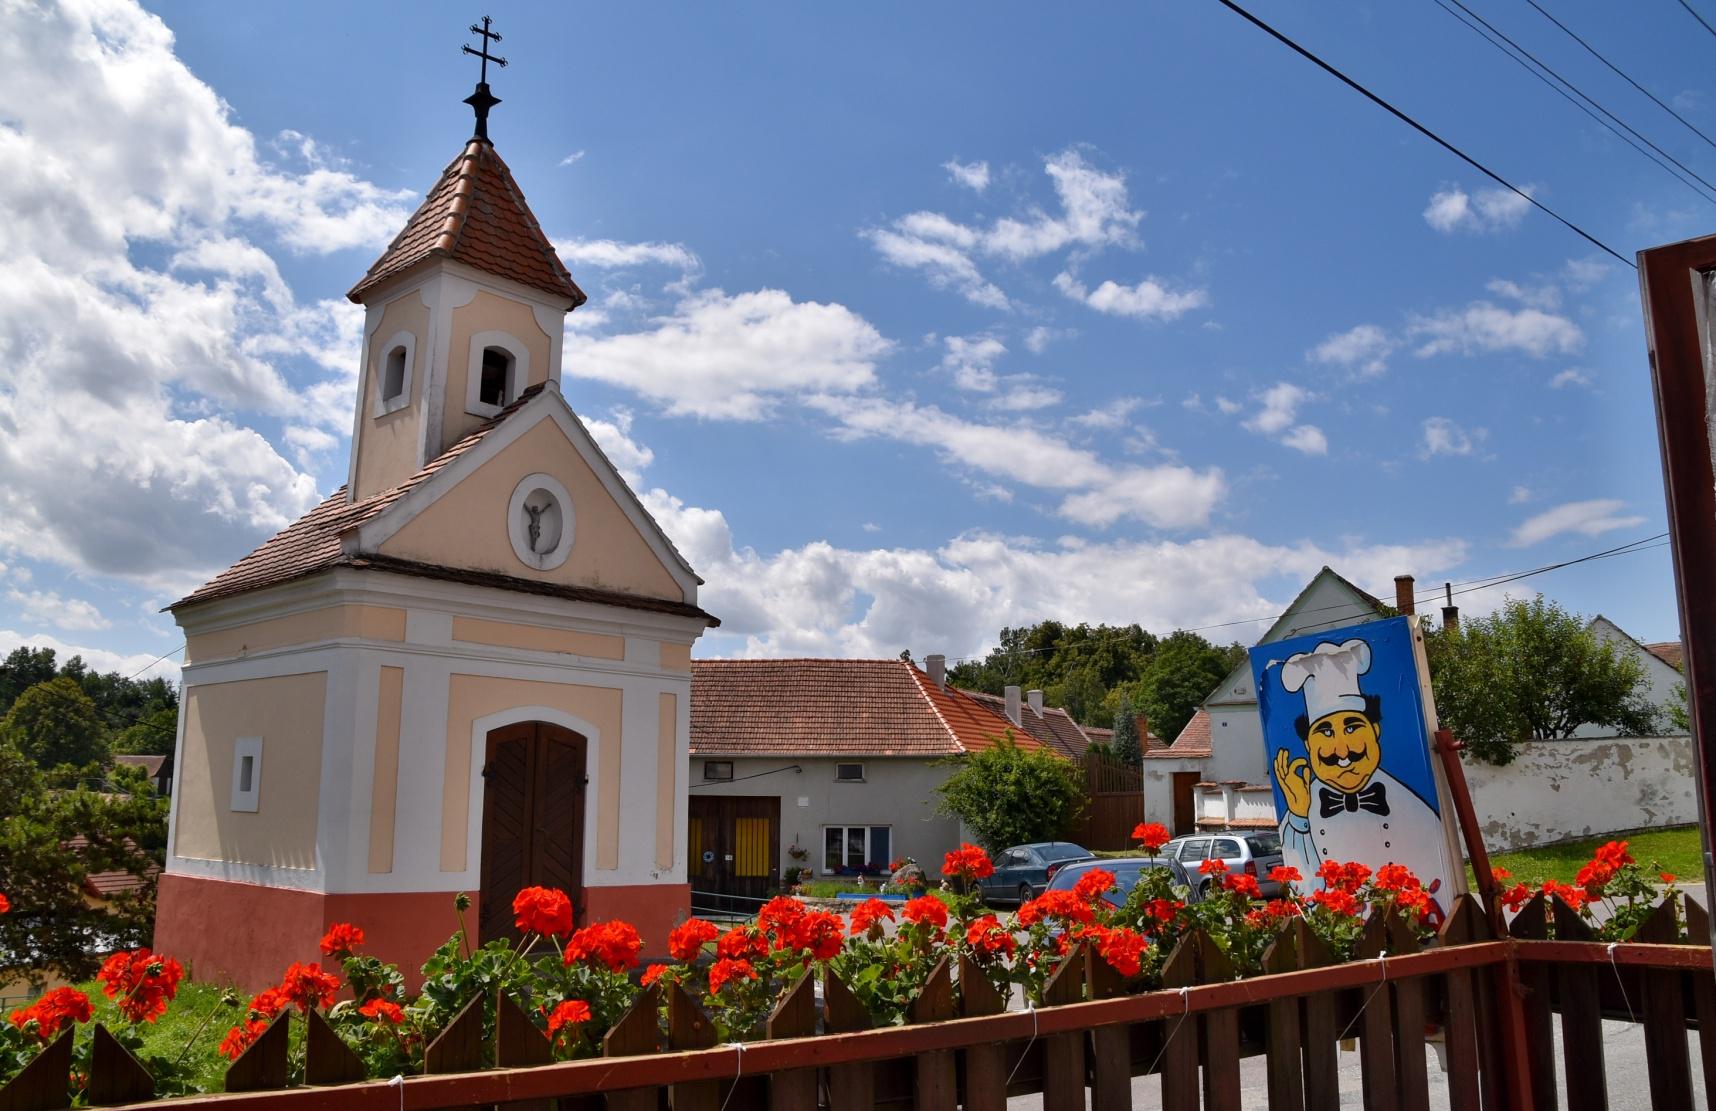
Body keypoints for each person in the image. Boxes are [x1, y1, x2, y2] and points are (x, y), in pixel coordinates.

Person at [1269, 638, 1450, 920]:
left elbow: (1438, 876)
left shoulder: (1411, 803)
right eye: (1326, 732)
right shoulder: (1298, 813)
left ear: (1375, 730)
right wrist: (1299, 817)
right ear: (1307, 745)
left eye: (1352, 727)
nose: (1342, 750)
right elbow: (1305, 891)